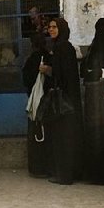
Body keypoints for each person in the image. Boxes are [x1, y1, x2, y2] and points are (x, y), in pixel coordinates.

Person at [39, 17, 82, 185]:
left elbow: (63, 74)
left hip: (64, 102)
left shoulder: (63, 47)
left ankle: (64, 175)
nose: (51, 30)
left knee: (63, 138)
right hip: (67, 100)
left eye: (55, 27)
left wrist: (47, 69)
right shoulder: (61, 47)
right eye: (49, 27)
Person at [22, 33, 51, 178]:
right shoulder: (49, 57)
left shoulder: (31, 59)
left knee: (35, 133)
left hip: (36, 101)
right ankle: (47, 166)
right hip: (48, 102)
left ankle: (36, 167)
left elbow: (26, 79)